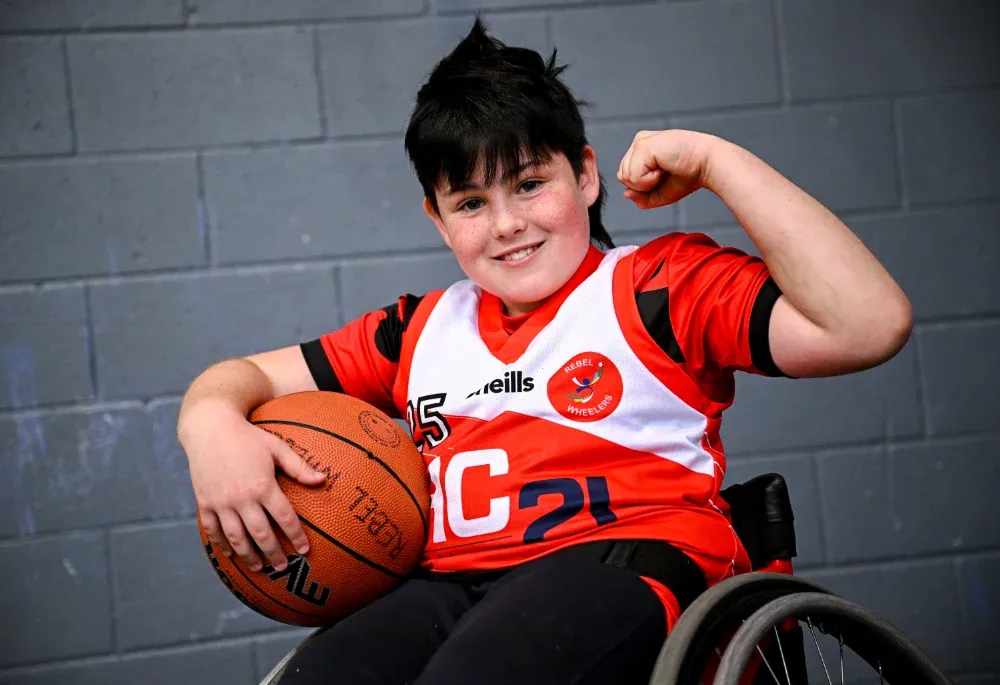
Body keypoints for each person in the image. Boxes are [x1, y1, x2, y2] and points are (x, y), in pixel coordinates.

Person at [177, 18, 912, 685]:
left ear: (585, 175)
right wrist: (211, 428)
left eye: (530, 184)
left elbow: (867, 324)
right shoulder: (416, 329)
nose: (506, 225)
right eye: (470, 203)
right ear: (437, 219)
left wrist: (720, 163)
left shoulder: (658, 288)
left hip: (627, 561)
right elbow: (238, 378)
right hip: (454, 584)